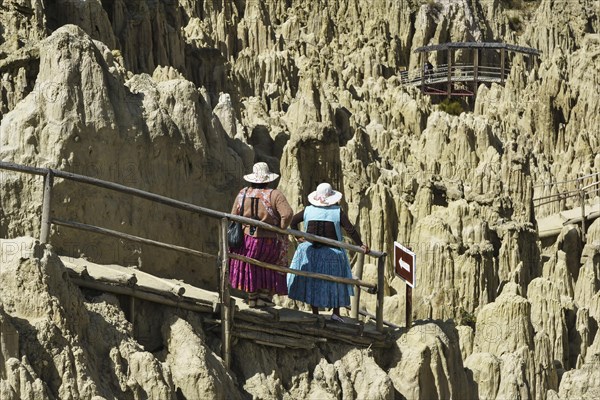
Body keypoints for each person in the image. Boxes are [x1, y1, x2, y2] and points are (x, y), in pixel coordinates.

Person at [287, 183, 369, 322]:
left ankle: (315, 313)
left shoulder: (308, 210)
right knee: (335, 282)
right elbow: (350, 230)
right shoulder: (337, 212)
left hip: (311, 251)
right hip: (332, 253)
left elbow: (293, 221)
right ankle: (336, 313)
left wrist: (298, 237)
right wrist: (361, 244)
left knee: (313, 280)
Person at [229, 162, 293, 308]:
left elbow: (233, 215)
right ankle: (263, 298)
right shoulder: (274, 194)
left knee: (250, 266)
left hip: (246, 239)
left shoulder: (243, 193)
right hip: (268, 240)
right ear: (268, 179)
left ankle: (252, 297)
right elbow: (287, 214)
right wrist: (281, 228)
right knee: (267, 266)